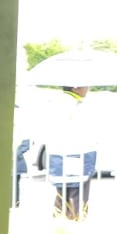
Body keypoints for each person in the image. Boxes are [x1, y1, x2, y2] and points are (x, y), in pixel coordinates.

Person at [47, 84, 97, 219]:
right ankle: (75, 225)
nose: (88, 88)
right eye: (85, 85)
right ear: (75, 87)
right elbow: (85, 132)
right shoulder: (76, 106)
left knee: (61, 193)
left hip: (58, 154)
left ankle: (59, 225)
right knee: (77, 194)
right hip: (78, 153)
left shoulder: (54, 103)